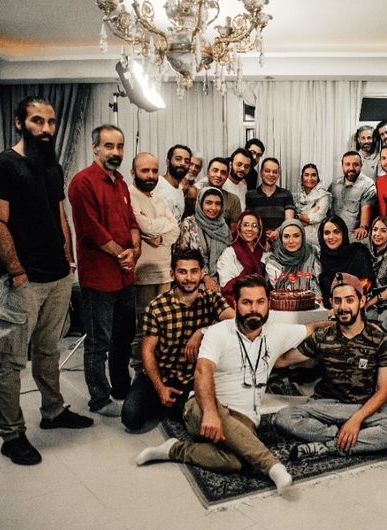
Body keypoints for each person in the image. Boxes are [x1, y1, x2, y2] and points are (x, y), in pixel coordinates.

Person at [135, 275, 327, 493]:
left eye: (260, 302)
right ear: (235, 305)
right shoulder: (218, 332)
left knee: (234, 462)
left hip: (244, 418)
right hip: (202, 409)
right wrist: (210, 413)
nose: (254, 308)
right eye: (247, 302)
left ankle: (174, 449)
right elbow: (202, 371)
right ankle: (273, 466)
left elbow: (313, 326)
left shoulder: (277, 332)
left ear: (268, 305)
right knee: (229, 427)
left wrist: (339, 321)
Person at [0, 96, 92, 466]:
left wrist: (67, 260)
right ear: (20, 122)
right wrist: (17, 271)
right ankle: (12, 435)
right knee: (10, 361)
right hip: (23, 281)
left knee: (49, 350)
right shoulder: (4, 165)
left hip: (58, 276)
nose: (47, 128)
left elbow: (59, 215)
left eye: (51, 122)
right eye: (38, 120)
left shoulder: (51, 166)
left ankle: (53, 411)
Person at [274, 272, 387, 459]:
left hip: (363, 407)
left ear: (362, 301)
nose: (343, 307)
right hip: (327, 406)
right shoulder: (322, 336)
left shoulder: (380, 338)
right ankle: (350, 438)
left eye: (349, 300)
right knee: (283, 418)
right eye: (337, 301)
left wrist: (356, 420)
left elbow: (383, 391)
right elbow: (283, 360)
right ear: (331, 303)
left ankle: (328, 446)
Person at [69, 124, 140, 417]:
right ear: (95, 148)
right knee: (99, 342)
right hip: (99, 276)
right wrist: (122, 254)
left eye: (119, 146)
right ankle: (99, 398)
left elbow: (131, 221)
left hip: (125, 275)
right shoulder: (82, 182)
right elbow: (90, 229)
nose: (115, 152)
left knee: (124, 336)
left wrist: (134, 250)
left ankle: (121, 387)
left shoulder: (120, 182)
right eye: (109, 146)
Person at [121, 249, 234, 431]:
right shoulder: (157, 307)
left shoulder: (211, 299)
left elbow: (235, 321)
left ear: (202, 273)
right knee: (130, 417)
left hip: (192, 377)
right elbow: (147, 351)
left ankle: (174, 405)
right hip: (161, 373)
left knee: (195, 420)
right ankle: (162, 400)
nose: (189, 278)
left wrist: (202, 331)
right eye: (182, 272)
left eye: (194, 271)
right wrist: (160, 388)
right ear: (172, 274)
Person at [128, 152, 180, 367]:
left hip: (164, 272)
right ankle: (140, 370)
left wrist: (158, 235)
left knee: (164, 325)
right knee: (143, 327)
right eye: (145, 171)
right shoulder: (129, 195)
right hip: (143, 273)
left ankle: (158, 369)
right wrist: (157, 229)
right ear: (133, 172)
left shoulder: (159, 199)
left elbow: (175, 230)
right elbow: (143, 225)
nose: (150, 175)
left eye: (154, 171)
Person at [176, 187, 231, 290]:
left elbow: (228, 258)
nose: (213, 208)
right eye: (208, 203)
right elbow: (184, 258)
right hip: (194, 282)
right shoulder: (189, 224)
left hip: (222, 280)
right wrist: (205, 278)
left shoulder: (224, 228)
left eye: (217, 204)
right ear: (200, 204)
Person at [318, 215, 375, 309]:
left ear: (343, 233)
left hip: (358, 308)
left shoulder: (358, 252)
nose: (331, 237)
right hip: (329, 310)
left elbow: (365, 286)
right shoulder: (321, 258)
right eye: (327, 233)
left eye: (336, 232)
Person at [217, 210, 267, 306]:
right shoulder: (229, 253)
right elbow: (226, 285)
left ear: (259, 230)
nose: (250, 229)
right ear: (239, 228)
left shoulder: (264, 254)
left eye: (254, 226)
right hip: (235, 301)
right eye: (246, 225)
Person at [263, 219, 322, 297]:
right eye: (286, 236)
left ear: (302, 237)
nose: (291, 241)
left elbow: (318, 281)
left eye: (296, 236)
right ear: (281, 238)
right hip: (287, 302)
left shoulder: (312, 252)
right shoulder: (273, 262)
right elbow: (283, 292)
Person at [245, 157, 295, 242]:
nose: (271, 174)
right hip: (257, 240)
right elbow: (248, 220)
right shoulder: (251, 195)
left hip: (281, 240)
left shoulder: (286, 194)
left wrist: (277, 232)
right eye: (267, 171)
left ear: (278, 174)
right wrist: (262, 235)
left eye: (275, 172)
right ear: (261, 173)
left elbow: (289, 221)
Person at [329, 151, 376, 240]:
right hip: (333, 233)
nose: (351, 168)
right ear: (342, 166)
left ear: (361, 166)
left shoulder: (368, 185)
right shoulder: (334, 184)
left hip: (352, 235)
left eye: (356, 165)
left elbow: (367, 210)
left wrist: (363, 227)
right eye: (347, 164)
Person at [195, 157, 242, 231]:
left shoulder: (233, 200)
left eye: (223, 172)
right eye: (215, 170)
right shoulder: (196, 195)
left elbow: (234, 231)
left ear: (227, 176)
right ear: (207, 172)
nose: (218, 175)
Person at [294, 163, 331, 246]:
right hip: (298, 233)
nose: (310, 178)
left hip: (316, 235)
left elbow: (316, 217)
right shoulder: (297, 196)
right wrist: (310, 212)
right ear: (302, 178)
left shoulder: (323, 195)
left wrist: (298, 216)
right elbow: (291, 216)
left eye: (313, 175)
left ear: (318, 178)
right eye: (306, 175)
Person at [155, 144, 192, 223]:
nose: (183, 163)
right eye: (178, 159)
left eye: (187, 161)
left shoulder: (180, 192)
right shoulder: (156, 183)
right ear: (168, 162)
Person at [181, 153, 203, 219]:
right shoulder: (172, 183)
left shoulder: (197, 191)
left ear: (199, 170)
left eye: (197, 167)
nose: (193, 169)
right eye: (191, 164)